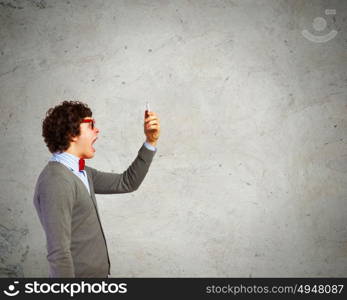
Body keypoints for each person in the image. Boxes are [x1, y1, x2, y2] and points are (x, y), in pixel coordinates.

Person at [33, 100, 160, 277]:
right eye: (91, 125)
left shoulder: (82, 172)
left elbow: (127, 182)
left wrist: (150, 141)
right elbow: (58, 253)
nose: (97, 130)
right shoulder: (56, 182)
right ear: (72, 133)